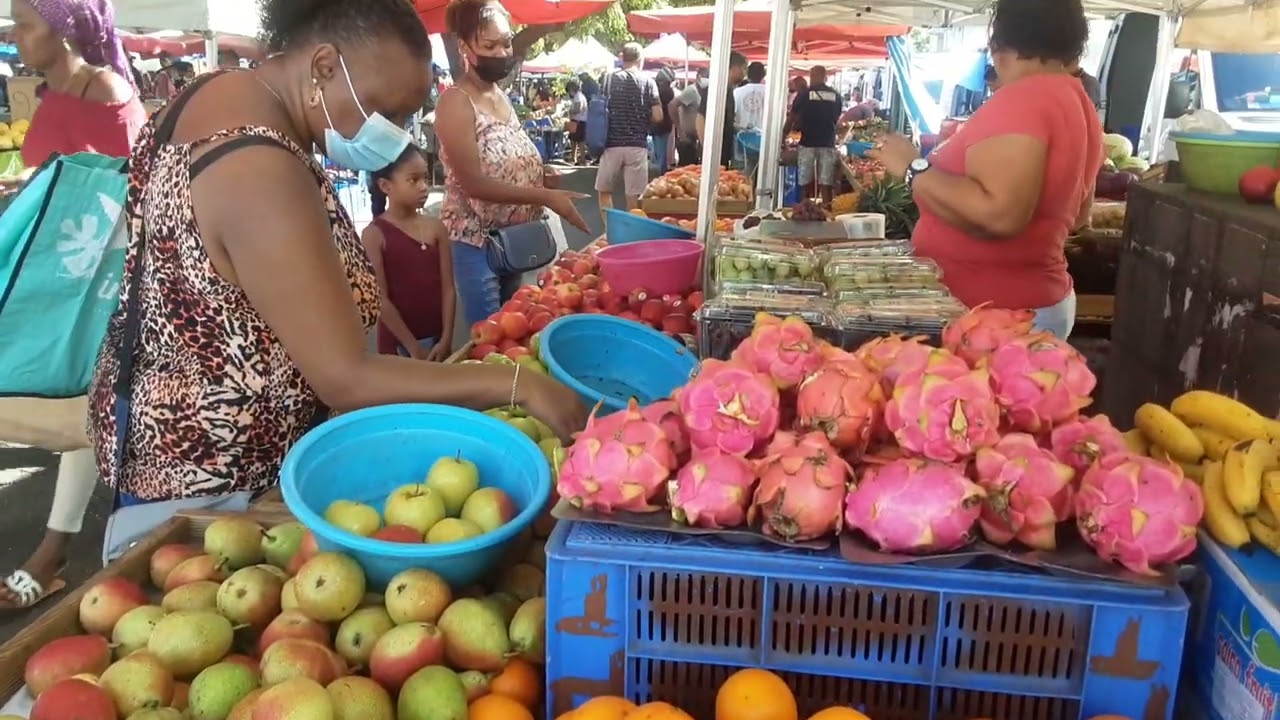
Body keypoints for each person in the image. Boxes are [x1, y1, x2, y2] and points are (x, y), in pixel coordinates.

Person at [84, 0, 587, 512]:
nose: (395, 136)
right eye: (386, 112)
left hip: (175, 447)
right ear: (324, 66)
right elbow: (345, 375)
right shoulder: (259, 166)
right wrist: (517, 384)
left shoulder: (213, 97)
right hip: (214, 481)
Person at [0, 0, 148, 610]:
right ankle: (56, 548)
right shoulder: (52, 91)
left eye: (24, 23)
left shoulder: (105, 90)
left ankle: (54, 551)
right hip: (55, 272)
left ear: (63, 32)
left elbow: (129, 185)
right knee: (74, 401)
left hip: (90, 280)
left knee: (83, 400)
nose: (14, 35)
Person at [868, 0, 1101, 340]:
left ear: (1004, 42)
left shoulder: (1025, 97)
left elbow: (1000, 215)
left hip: (996, 318)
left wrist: (913, 167)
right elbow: (1079, 216)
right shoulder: (1077, 100)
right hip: (1032, 305)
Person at [436, 0, 589, 328]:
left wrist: (538, 175)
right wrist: (545, 197)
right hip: (477, 243)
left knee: (515, 329)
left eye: (506, 42)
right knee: (492, 335)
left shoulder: (499, 95)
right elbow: (474, 183)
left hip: (514, 240)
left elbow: (506, 158)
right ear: (464, 46)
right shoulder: (455, 102)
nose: (503, 52)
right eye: (490, 45)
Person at [363, 145, 454, 361]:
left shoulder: (436, 228)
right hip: (398, 346)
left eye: (425, 179)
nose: (424, 187)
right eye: (413, 180)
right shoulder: (374, 235)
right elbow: (380, 299)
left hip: (437, 340)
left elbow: (448, 288)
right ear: (385, 186)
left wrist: (447, 338)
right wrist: (413, 347)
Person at [594, 42, 660, 219]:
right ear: (640, 59)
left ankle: (610, 232)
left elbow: (599, 109)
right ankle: (632, 236)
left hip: (611, 144)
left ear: (622, 58)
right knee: (634, 198)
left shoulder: (608, 79)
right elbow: (658, 115)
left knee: (605, 192)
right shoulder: (649, 82)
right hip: (637, 145)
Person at [788, 65, 842, 204]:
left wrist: (783, 135)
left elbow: (792, 117)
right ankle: (826, 207)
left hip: (808, 142)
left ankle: (804, 207)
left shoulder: (805, 94)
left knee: (805, 180)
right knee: (826, 181)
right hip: (827, 141)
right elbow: (836, 118)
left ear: (812, 76)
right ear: (825, 77)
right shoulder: (835, 95)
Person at [697, 51, 747, 168]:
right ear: (733, 68)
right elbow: (700, 119)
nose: (745, 74)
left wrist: (740, 128)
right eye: (743, 69)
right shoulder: (715, 89)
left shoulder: (729, 91)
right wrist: (708, 148)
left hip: (723, 153)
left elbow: (726, 121)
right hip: (712, 154)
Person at [671, 69, 705, 166]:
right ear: (698, 78)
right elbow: (672, 105)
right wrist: (680, 130)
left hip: (696, 139)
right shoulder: (691, 91)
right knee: (686, 169)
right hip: (687, 139)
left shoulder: (704, 92)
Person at [652, 67, 675, 175]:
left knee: (658, 151)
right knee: (663, 152)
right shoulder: (668, 91)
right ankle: (661, 173)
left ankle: (657, 170)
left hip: (654, 124)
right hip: (665, 125)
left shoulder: (653, 89)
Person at [733, 61, 767, 132]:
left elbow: (732, 114)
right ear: (763, 75)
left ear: (747, 74)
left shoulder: (737, 92)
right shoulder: (769, 93)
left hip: (741, 136)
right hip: (763, 136)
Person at [565, 78, 588, 165]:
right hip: (580, 121)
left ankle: (579, 158)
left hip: (578, 121)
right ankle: (576, 158)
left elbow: (578, 109)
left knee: (577, 141)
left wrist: (569, 111)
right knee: (576, 141)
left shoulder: (578, 97)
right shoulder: (580, 96)